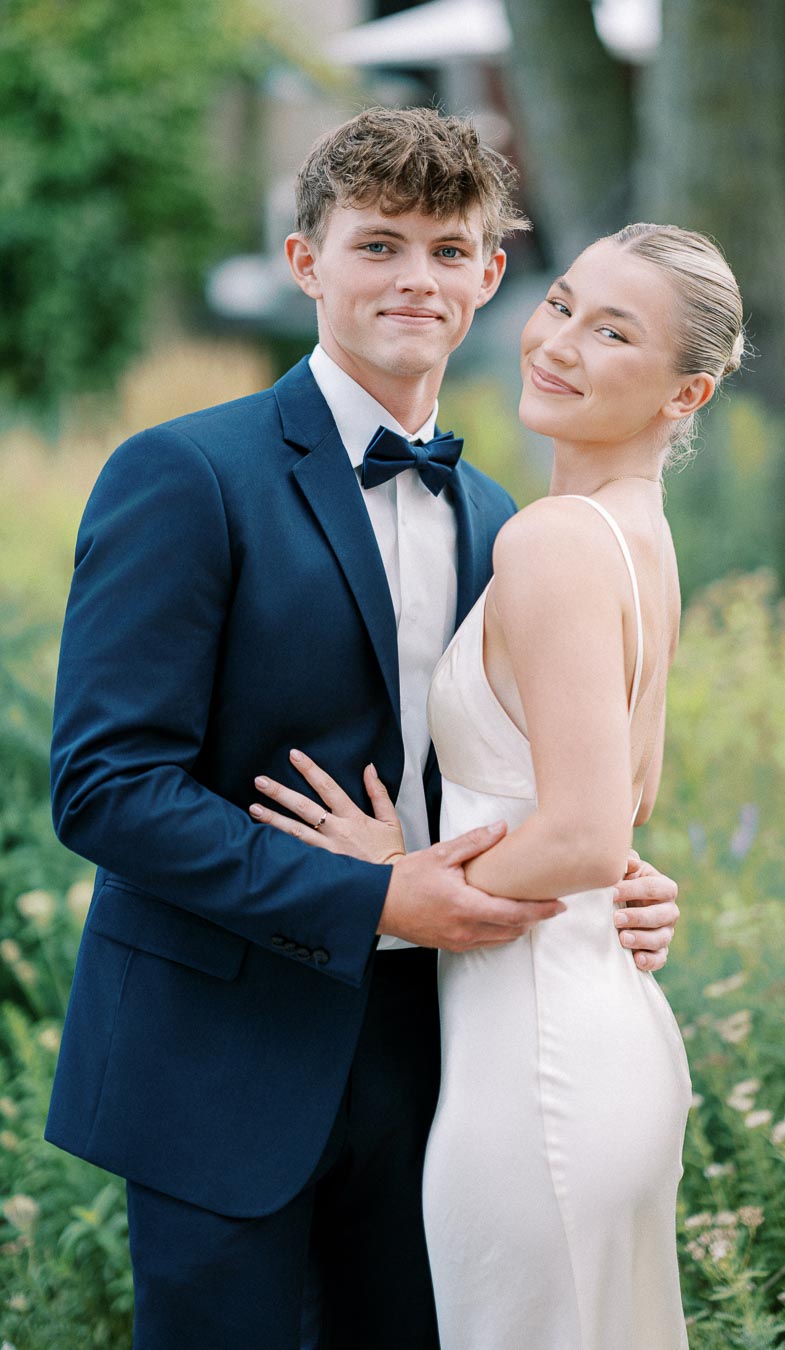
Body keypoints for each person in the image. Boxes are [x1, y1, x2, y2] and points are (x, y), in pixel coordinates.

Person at [45, 108, 682, 1349]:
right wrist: (377, 899)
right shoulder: (184, 473)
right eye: (378, 245)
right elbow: (107, 787)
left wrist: (611, 872)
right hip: (219, 1069)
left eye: (450, 251)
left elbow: (514, 776)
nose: (415, 280)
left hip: (442, 1072)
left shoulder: (502, 513)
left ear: (491, 275)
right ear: (307, 265)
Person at [254, 221, 745, 1346]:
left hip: (538, 1067)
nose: (559, 343)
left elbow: (578, 836)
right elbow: (615, 819)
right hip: (586, 1026)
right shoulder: (636, 537)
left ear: (687, 393)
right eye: (564, 302)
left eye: (613, 332)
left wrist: (396, 881)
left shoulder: (556, 541)